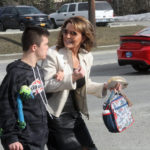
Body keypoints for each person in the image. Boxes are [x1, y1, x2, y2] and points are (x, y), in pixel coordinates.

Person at [41, 16, 120, 150]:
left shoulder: (86, 56)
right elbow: (46, 85)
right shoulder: (53, 54)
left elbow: (84, 84)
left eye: (73, 33)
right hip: (57, 118)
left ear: (83, 37)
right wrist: (71, 77)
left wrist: (105, 86)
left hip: (75, 116)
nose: (67, 36)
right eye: (65, 32)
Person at [0, 26, 50, 150]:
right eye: (46, 44)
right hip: (22, 141)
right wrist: (11, 137)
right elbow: (5, 105)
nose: (48, 48)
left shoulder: (39, 71)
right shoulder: (16, 74)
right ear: (34, 47)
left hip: (39, 138)